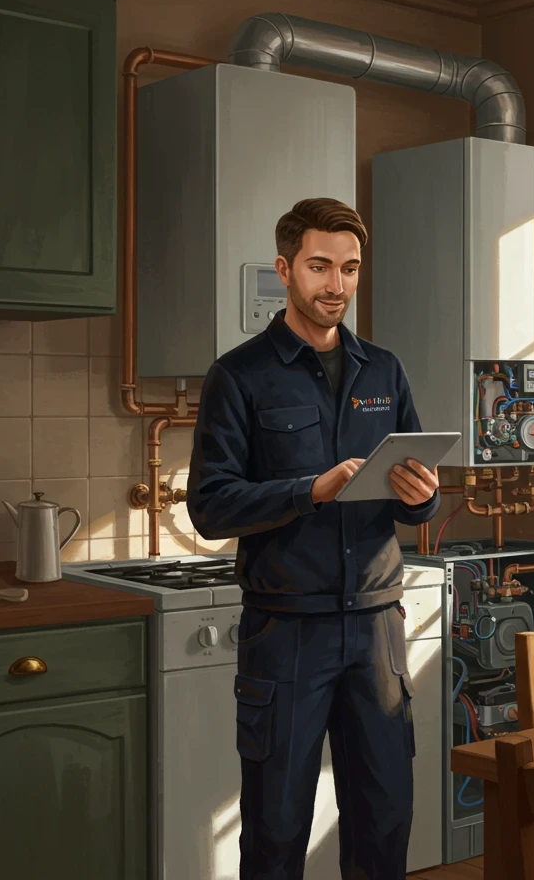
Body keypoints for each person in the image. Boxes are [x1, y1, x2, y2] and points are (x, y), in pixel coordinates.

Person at [186, 197, 441, 879]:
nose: (337, 286)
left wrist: (424, 497)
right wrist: (309, 490)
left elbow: (411, 492)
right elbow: (210, 507)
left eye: (350, 269)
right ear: (285, 269)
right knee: (274, 832)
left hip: (378, 631)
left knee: (384, 824)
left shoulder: (383, 371)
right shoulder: (239, 376)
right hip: (287, 633)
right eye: (321, 267)